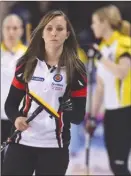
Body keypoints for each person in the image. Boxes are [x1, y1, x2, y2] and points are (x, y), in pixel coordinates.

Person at [2, 10, 87, 176]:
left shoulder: (76, 69)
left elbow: (78, 116)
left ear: (67, 34)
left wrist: (67, 109)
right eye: (49, 28)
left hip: (55, 148)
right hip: (22, 143)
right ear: (42, 33)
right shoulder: (26, 63)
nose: (54, 33)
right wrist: (17, 118)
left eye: (60, 29)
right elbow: (10, 104)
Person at [86, 5, 131, 175]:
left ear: (105, 23)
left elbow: (122, 72)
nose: (92, 26)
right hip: (110, 115)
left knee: (119, 165)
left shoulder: (124, 42)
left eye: (95, 22)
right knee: (114, 165)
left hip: (125, 112)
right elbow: (100, 87)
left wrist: (100, 58)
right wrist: (92, 116)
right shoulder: (103, 47)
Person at [1, 14, 27, 169]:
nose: (11, 32)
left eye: (15, 28)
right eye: (8, 28)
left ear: (21, 31)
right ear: (3, 30)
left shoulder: (28, 55)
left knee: (16, 165)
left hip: (18, 119)